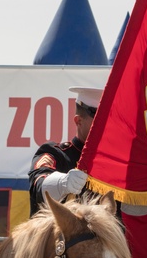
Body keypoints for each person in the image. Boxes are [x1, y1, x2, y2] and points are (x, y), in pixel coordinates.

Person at [28, 86, 102, 216]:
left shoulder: (116, 162)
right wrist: (61, 183)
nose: (105, 127)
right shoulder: (55, 153)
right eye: (98, 121)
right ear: (78, 121)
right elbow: (39, 185)